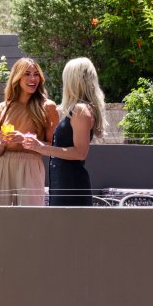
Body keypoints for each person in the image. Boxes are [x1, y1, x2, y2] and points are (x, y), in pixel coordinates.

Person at [22, 57, 106, 206]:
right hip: (63, 184)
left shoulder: (81, 110)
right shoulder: (78, 109)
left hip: (72, 186)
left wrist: (42, 148)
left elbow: (80, 153)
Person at [0, 57, 59, 206]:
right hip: (4, 166)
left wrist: (23, 139)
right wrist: (2, 143)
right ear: (17, 77)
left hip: (31, 165)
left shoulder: (47, 107)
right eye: (27, 74)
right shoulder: (1, 108)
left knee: (31, 219)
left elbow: (53, 149)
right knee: (1, 218)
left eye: (36, 74)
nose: (33, 78)